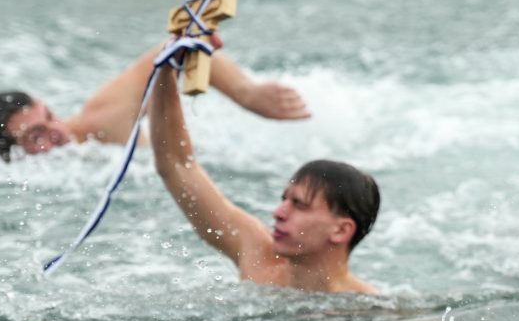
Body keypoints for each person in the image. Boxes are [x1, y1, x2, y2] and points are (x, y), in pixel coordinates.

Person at [148, 64, 380, 294]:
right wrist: (167, 72)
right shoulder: (259, 259)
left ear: (341, 230)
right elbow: (177, 165)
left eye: (299, 205)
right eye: (284, 200)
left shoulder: (369, 308)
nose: (278, 212)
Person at [0, 34, 310, 161]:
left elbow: (176, 49)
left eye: (49, 118)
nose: (56, 133)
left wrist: (247, 93)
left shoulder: (102, 119)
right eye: (36, 138)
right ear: (13, 155)